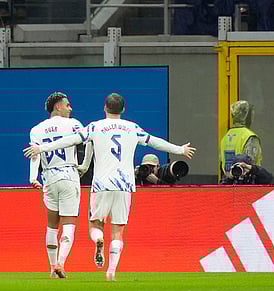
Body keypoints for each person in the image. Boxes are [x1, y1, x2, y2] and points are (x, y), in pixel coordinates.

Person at [24, 93, 196, 281]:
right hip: (124, 184)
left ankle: (95, 241)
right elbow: (155, 142)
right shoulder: (132, 128)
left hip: (100, 183)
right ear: (122, 109)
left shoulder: (95, 127)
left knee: (94, 224)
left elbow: (71, 140)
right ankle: (111, 271)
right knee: (118, 229)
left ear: (105, 108)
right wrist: (180, 149)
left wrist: (42, 149)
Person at [28, 91, 87, 279]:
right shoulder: (74, 124)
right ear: (58, 106)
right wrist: (84, 165)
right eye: (67, 105)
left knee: (51, 224)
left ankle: (52, 267)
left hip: (48, 177)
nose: (71, 108)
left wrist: (32, 177)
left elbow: (34, 153)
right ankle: (61, 263)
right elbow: (88, 140)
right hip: (69, 173)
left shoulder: (36, 129)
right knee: (69, 221)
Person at [219, 100, 263, 182]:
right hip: (246, 186)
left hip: (228, 184)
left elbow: (222, 164)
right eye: (251, 114)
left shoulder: (225, 137)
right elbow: (249, 166)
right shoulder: (250, 137)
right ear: (246, 116)